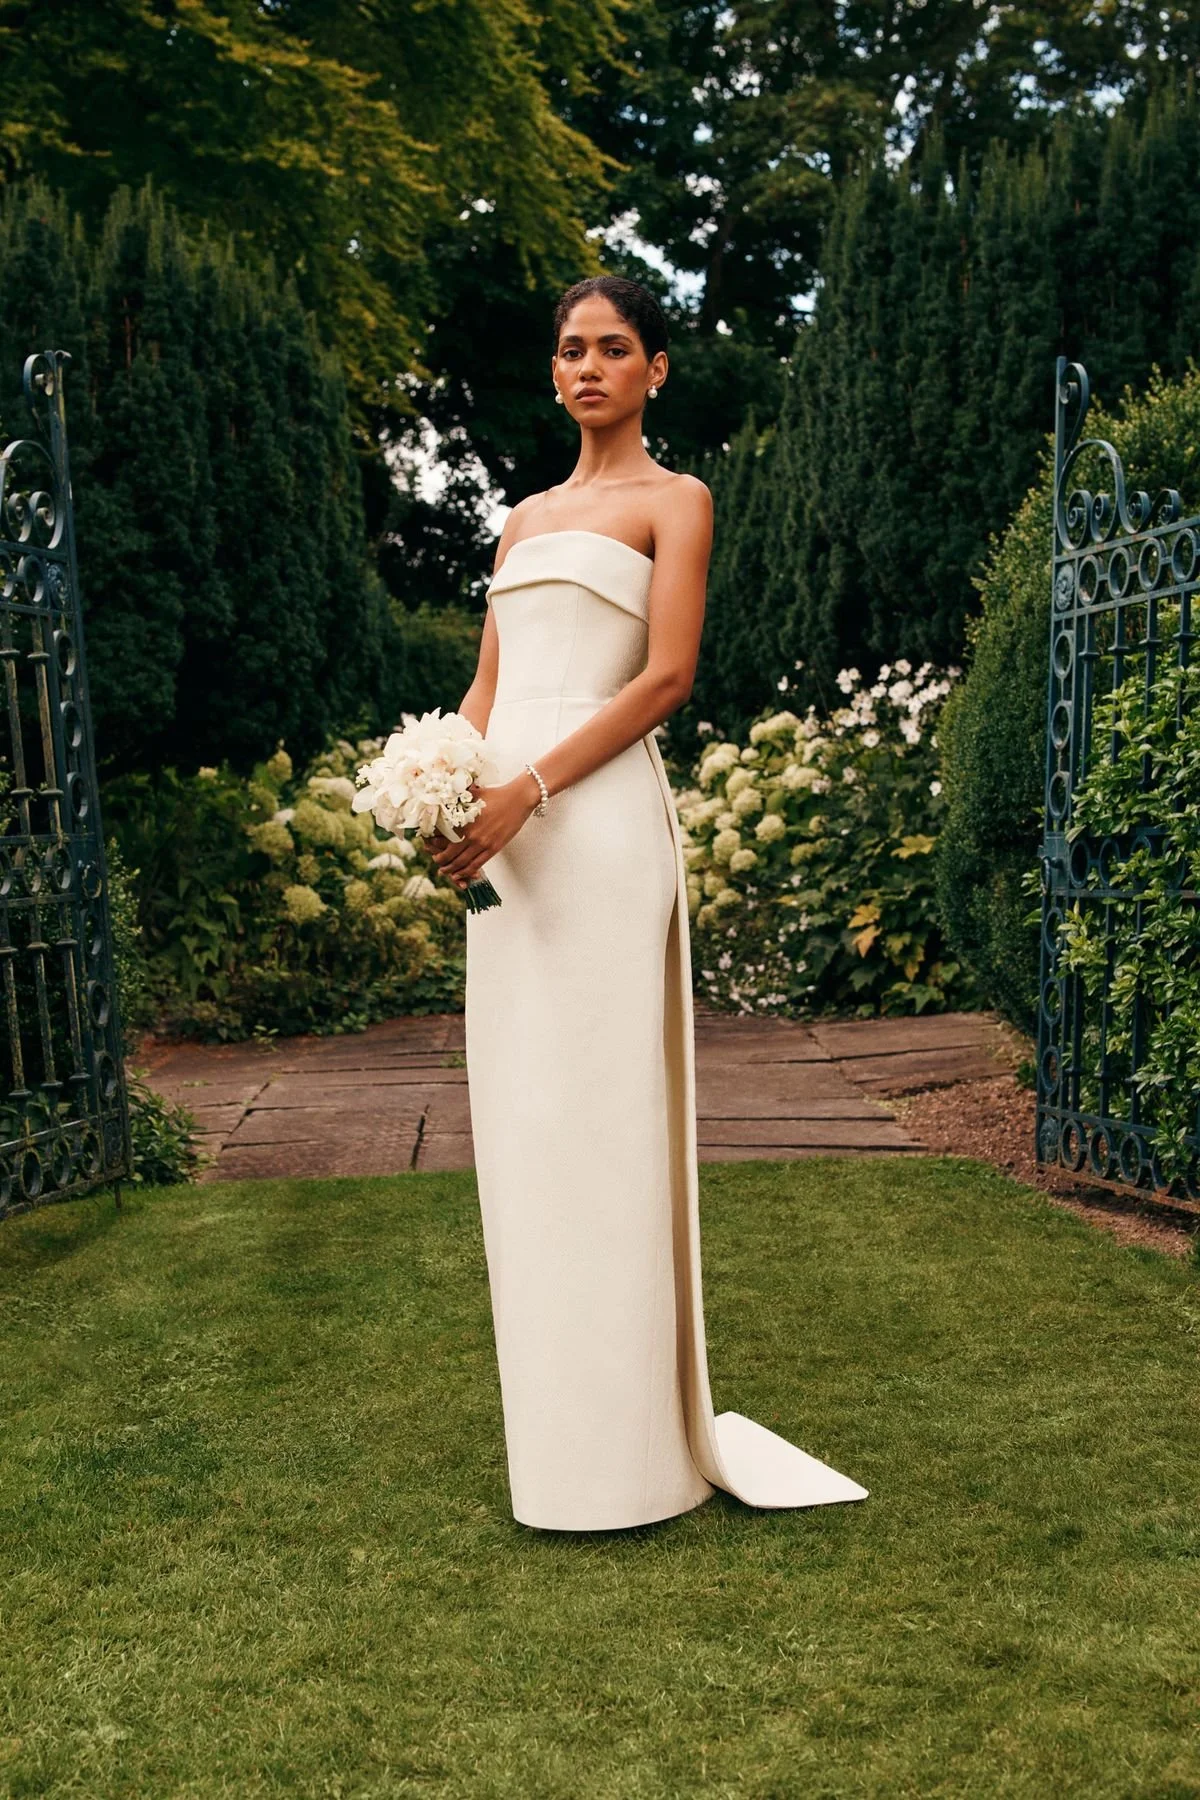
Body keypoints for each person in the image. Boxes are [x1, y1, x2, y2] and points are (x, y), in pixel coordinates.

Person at [429, 274, 867, 1531]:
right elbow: (485, 688)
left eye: (614, 348)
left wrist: (530, 791)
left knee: (605, 1121)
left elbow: (667, 676)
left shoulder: (679, 500)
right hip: (506, 838)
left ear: (655, 369)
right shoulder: (520, 521)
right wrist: (444, 787)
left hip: (598, 826)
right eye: (571, 349)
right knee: (525, 1124)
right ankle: (557, 1455)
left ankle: (632, 1461)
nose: (588, 367)